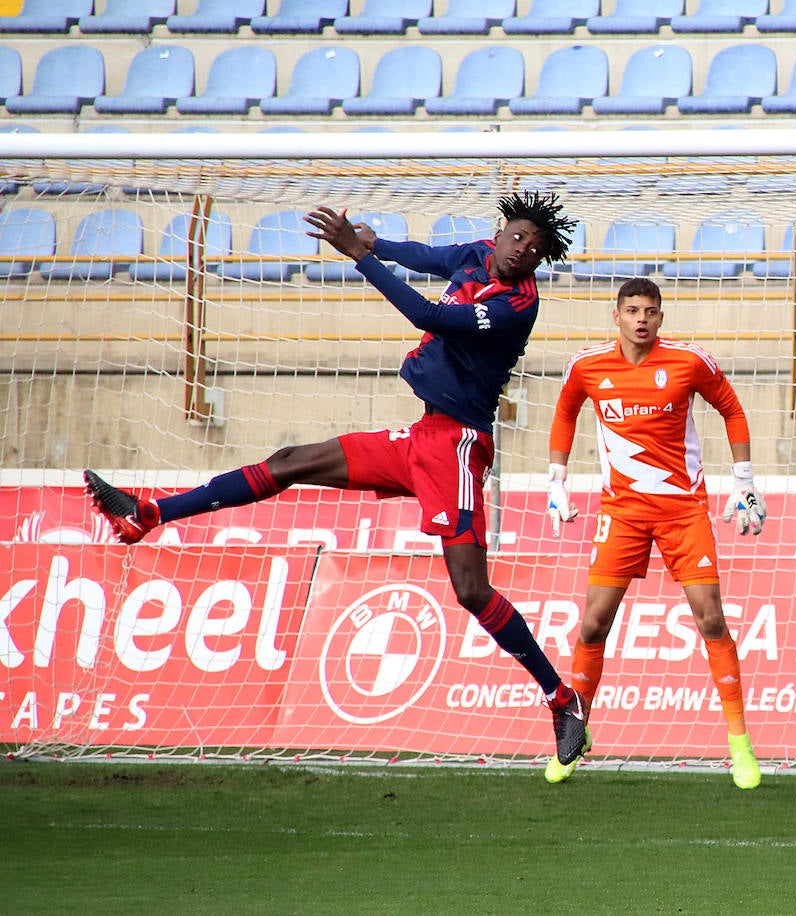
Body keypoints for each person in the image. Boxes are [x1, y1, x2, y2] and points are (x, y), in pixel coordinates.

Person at [83, 191, 593, 769]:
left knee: (472, 590)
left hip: (458, 447)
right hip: (421, 437)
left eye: (534, 249)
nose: (522, 250)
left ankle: (561, 699)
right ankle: (150, 514)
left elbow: (429, 316)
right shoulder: (476, 255)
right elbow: (425, 254)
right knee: (291, 461)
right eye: (518, 236)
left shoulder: (516, 306)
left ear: (538, 262)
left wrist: (360, 257)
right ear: (500, 234)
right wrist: (379, 244)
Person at [543, 277, 768, 789]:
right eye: (632, 310)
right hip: (621, 511)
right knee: (593, 624)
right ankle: (574, 735)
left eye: (650, 311)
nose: (641, 318)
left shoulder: (690, 362)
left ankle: (740, 748)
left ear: (661, 318)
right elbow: (564, 411)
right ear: (616, 316)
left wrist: (745, 480)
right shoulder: (587, 365)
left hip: (683, 511)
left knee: (711, 618)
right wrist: (555, 479)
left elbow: (731, 408)